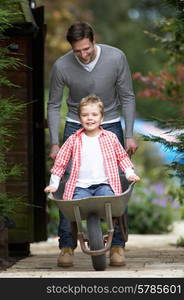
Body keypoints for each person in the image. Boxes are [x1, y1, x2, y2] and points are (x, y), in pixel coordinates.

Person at [47, 21, 138, 267]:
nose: (83, 55)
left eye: (87, 49)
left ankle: (117, 245)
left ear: (93, 40)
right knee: (67, 184)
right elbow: (54, 104)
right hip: (75, 124)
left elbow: (127, 96)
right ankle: (66, 245)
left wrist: (128, 133)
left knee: (118, 182)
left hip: (109, 122)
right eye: (78, 51)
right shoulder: (62, 66)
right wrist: (55, 142)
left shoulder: (116, 57)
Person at [45, 95, 140, 267]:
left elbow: (122, 158)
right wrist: (54, 184)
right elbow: (60, 164)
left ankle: (114, 243)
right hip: (80, 187)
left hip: (105, 185)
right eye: (85, 115)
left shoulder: (110, 137)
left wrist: (129, 173)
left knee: (111, 202)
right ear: (79, 118)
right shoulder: (73, 140)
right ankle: (72, 243)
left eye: (94, 115)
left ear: (101, 118)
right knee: (73, 204)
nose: (90, 118)